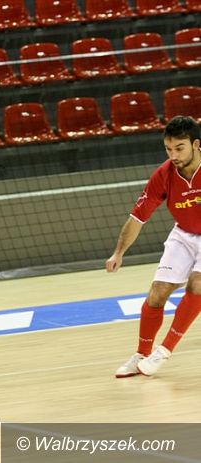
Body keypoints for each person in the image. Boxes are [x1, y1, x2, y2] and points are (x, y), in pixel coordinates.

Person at [107, 115, 201, 378]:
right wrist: (118, 252)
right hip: (183, 233)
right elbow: (138, 217)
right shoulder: (164, 175)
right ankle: (141, 353)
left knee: (197, 283)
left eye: (179, 148)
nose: (173, 155)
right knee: (157, 293)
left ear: (196, 145)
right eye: (168, 149)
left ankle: (164, 350)